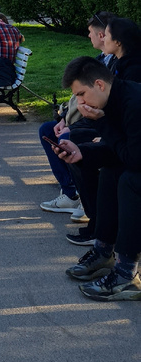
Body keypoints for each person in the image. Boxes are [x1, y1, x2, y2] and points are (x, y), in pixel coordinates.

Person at [50, 56, 141, 300]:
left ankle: (126, 274)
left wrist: (101, 124)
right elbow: (120, 150)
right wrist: (82, 154)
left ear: (99, 85)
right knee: (111, 173)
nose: (79, 102)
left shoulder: (133, 103)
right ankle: (104, 251)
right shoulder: (114, 100)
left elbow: (133, 159)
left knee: (131, 181)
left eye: (81, 94)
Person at [38, 10, 114, 219]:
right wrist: (64, 119)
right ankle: (70, 192)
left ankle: (86, 201)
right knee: (47, 130)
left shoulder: (118, 63)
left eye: (90, 32)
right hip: (84, 119)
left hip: (97, 121)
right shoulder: (100, 59)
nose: (88, 36)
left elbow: (101, 101)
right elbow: (78, 96)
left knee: (67, 138)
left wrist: (69, 127)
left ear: (102, 35)